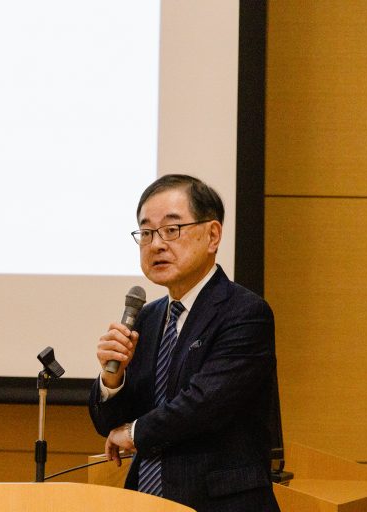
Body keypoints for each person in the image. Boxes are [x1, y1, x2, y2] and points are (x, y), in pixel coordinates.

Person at [89, 174, 280, 512]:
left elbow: (204, 405)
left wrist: (133, 433)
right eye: (146, 233)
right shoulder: (146, 318)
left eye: (171, 229)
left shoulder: (245, 313)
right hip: (147, 502)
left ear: (213, 235)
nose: (156, 244)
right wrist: (112, 378)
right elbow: (107, 424)